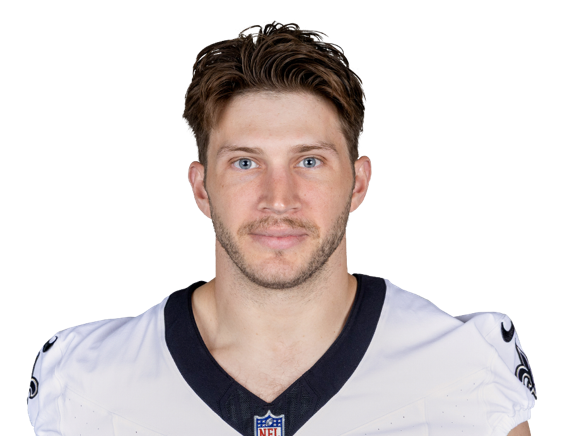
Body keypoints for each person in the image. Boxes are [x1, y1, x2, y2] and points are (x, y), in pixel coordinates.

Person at [27, 21, 536, 436]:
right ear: (201, 188)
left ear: (358, 183)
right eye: (245, 163)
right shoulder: (85, 382)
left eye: (309, 161)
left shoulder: (462, 369)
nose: (278, 198)